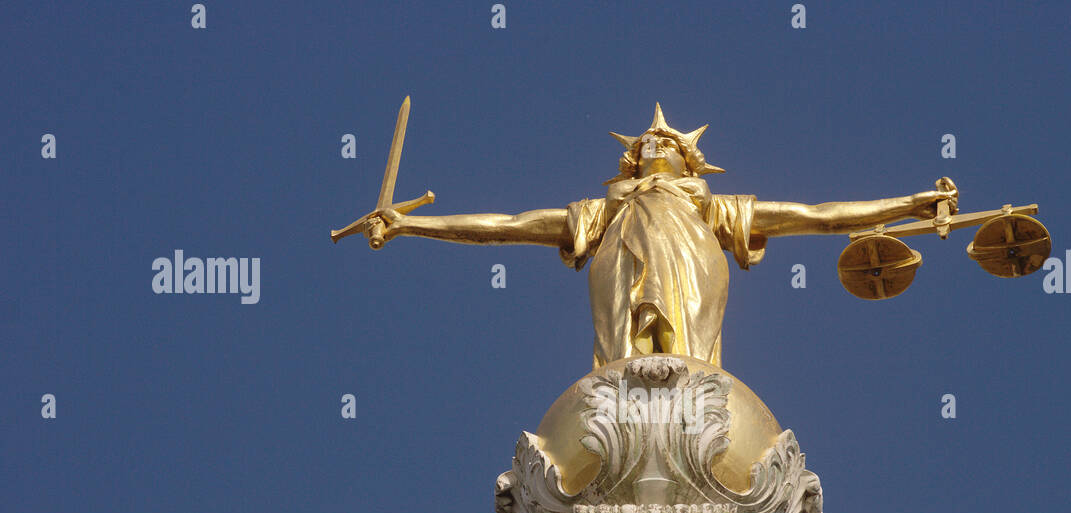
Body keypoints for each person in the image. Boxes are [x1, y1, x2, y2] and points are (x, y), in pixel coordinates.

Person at [368, 104, 957, 368]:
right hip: (617, 270)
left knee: (687, 370)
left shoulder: (712, 208)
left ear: (691, 161)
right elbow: (510, 227)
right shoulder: (602, 213)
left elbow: (817, 215)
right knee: (624, 369)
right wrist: (411, 223)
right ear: (627, 163)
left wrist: (911, 202)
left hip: (695, 267)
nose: (654, 144)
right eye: (644, 144)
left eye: (669, 143)